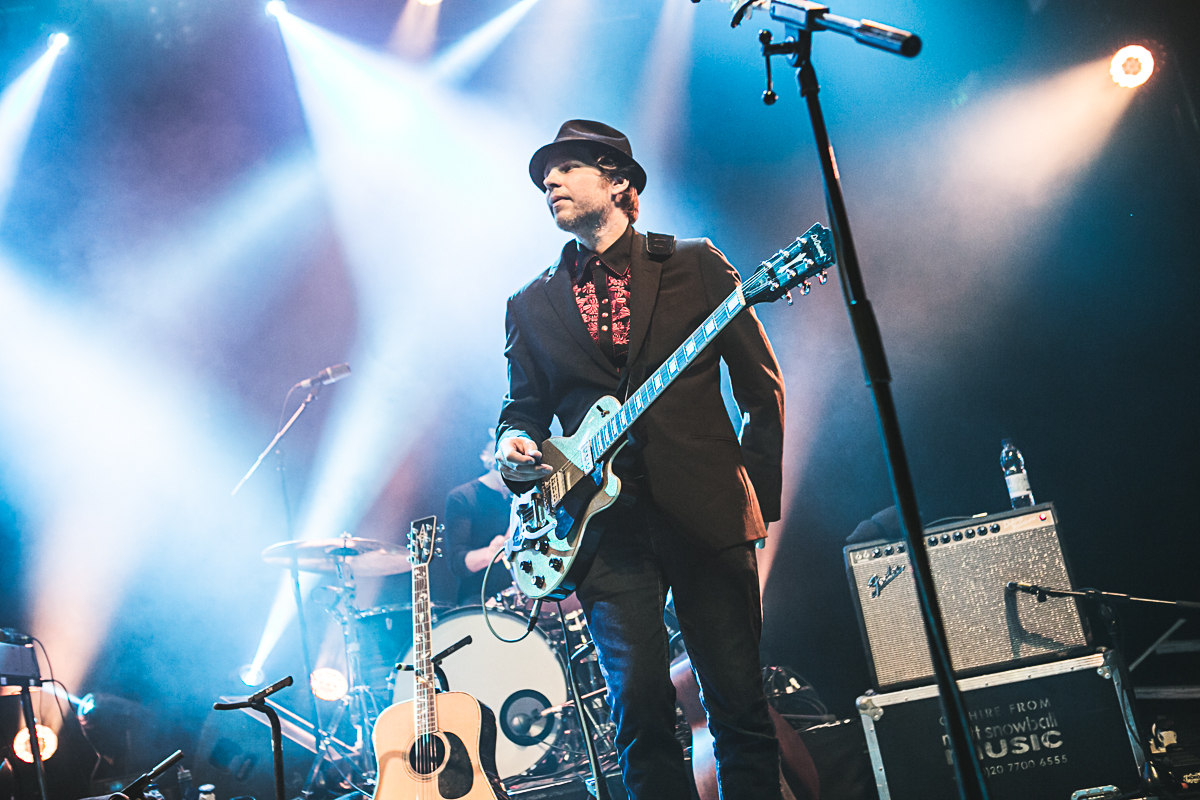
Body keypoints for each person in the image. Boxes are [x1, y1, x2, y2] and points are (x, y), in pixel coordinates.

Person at [495, 120, 786, 800]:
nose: (550, 183)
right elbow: (523, 408)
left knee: (739, 708)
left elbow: (761, 389)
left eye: (566, 168)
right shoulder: (529, 304)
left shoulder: (695, 263)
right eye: (545, 176)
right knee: (640, 716)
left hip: (708, 512)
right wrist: (512, 443)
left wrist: (754, 498)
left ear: (619, 180)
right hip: (602, 530)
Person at [445, 430, 515, 606]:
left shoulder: (519, 496)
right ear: (492, 462)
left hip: (524, 593)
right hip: (480, 600)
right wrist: (492, 553)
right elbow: (457, 563)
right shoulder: (463, 497)